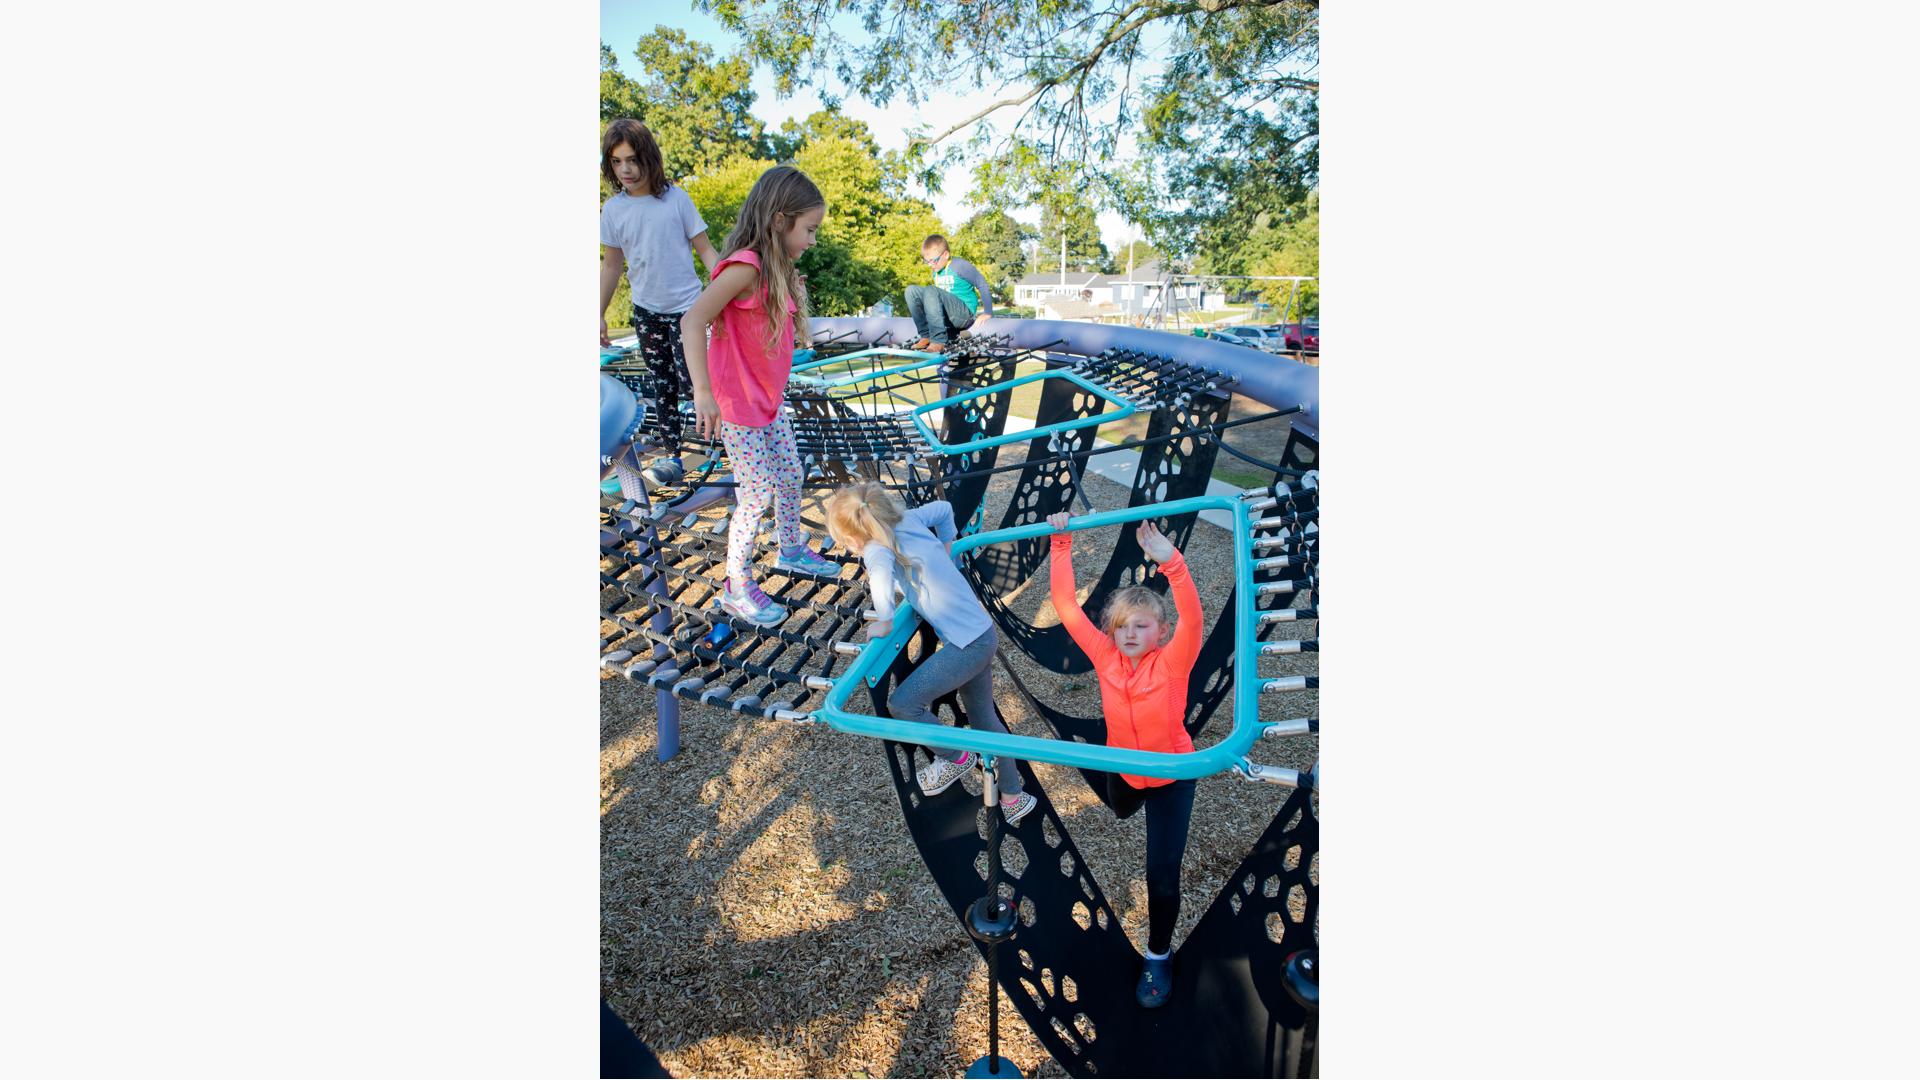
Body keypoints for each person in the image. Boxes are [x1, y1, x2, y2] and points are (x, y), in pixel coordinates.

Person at [1046, 512, 1203, 1009]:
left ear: (1160, 631)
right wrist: (1060, 539)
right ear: (1110, 632)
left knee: (1161, 871)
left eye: (1142, 626)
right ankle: (1123, 798)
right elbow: (1065, 606)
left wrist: (1173, 566)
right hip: (1125, 772)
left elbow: (1194, 619)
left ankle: (1159, 954)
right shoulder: (1106, 657)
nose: (1130, 634)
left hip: (1172, 777)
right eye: (1121, 627)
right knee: (1118, 803)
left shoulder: (1173, 662)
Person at [679, 165, 840, 627]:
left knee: (790, 471)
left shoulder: (776, 269)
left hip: (767, 402)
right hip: (738, 404)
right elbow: (693, 321)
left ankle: (789, 548)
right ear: (778, 219)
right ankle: (734, 584)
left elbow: (782, 333)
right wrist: (703, 391)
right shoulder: (745, 267)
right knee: (756, 491)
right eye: (808, 229)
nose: (812, 240)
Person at [826, 484, 1036, 824]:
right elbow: (943, 509)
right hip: (981, 633)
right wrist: (948, 545)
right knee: (983, 718)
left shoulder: (877, 549)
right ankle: (1013, 795)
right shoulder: (909, 519)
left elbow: (880, 578)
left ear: (855, 536)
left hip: (967, 646)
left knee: (903, 704)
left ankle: (955, 757)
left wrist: (884, 619)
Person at [599, 119, 720, 486]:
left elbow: (707, 253)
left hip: (688, 312)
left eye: (632, 160)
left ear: (649, 157)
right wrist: (597, 314)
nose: (626, 170)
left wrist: (732, 293)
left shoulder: (676, 200)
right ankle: (673, 455)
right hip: (647, 312)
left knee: (696, 382)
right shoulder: (613, 210)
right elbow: (612, 264)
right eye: (617, 162)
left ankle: (717, 447)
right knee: (662, 384)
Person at [905, 234, 993, 353]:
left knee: (931, 290)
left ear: (945, 254)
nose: (930, 265)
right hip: (948, 315)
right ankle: (926, 335)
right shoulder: (937, 270)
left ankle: (938, 341)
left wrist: (987, 312)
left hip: (964, 315)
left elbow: (982, 284)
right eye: (927, 261)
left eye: (933, 261)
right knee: (911, 290)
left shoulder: (959, 265)